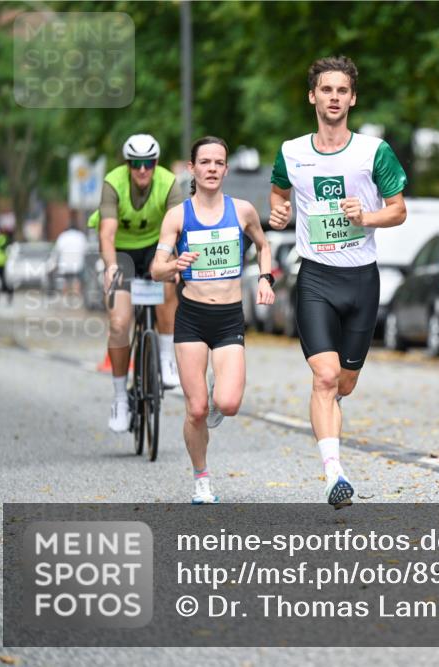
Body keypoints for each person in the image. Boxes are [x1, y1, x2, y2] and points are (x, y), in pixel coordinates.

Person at [269, 55, 407, 509]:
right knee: (324, 377)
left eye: (342, 91)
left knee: (345, 382)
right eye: (326, 90)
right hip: (315, 279)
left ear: (352, 98)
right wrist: (280, 211)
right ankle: (334, 474)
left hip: (361, 280)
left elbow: (398, 209)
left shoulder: (373, 152)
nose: (334, 98)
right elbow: (278, 189)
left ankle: (332, 432)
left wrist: (365, 217)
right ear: (313, 96)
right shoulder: (292, 151)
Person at [151, 136, 274, 504]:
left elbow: (264, 247)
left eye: (218, 163)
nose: (211, 169)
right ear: (192, 168)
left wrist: (266, 279)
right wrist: (175, 265)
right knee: (196, 408)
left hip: (228, 318)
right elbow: (157, 268)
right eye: (204, 162)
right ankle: (201, 478)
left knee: (229, 402)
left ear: (225, 169)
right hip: (191, 316)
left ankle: (217, 392)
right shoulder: (178, 216)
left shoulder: (242, 211)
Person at [90, 134, 184, 433]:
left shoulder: (169, 182)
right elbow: (106, 233)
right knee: (119, 323)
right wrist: (111, 267)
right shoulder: (113, 183)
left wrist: (175, 262)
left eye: (149, 163)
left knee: (169, 282)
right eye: (136, 164)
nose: (142, 170)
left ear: (156, 163)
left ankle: (167, 358)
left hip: (158, 247)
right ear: (127, 164)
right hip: (122, 251)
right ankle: (120, 398)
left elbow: (180, 227)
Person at [52, 221, 87, 296]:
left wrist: (54, 263)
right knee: (76, 281)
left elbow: (57, 251)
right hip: (77, 264)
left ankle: (64, 299)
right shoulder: (80, 236)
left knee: (65, 282)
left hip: (64, 264)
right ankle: (76, 298)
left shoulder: (63, 236)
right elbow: (85, 250)